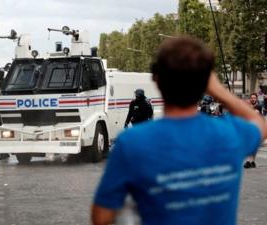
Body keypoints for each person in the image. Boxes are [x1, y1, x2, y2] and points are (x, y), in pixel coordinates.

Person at [92, 37, 267, 225]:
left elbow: (101, 217)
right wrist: (219, 90)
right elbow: (259, 123)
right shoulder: (230, 133)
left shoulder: (131, 143)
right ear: (205, 84)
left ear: (157, 81)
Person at [243, 93, 262, 169]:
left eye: (254, 98)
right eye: (252, 98)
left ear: (256, 99)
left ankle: (252, 161)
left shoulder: (258, 106)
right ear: (250, 99)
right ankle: (248, 161)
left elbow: (255, 113)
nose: (253, 99)